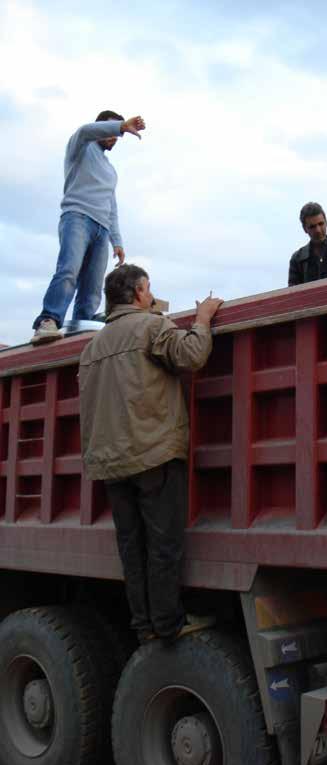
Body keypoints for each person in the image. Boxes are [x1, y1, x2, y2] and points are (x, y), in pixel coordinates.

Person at [79, 264, 223, 644]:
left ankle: (144, 625)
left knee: (132, 547)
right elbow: (192, 356)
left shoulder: (92, 347)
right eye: (149, 289)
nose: (151, 294)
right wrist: (203, 318)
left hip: (111, 462)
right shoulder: (151, 326)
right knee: (163, 545)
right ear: (140, 293)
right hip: (153, 453)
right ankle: (169, 623)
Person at [31, 111, 146, 345]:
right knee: (69, 271)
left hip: (102, 228)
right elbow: (86, 130)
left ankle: (80, 327)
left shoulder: (110, 170)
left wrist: (117, 241)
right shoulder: (81, 146)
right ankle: (48, 320)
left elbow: (111, 205)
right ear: (101, 127)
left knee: (92, 286)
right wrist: (121, 126)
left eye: (116, 133)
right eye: (110, 129)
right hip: (77, 217)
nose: (114, 136)